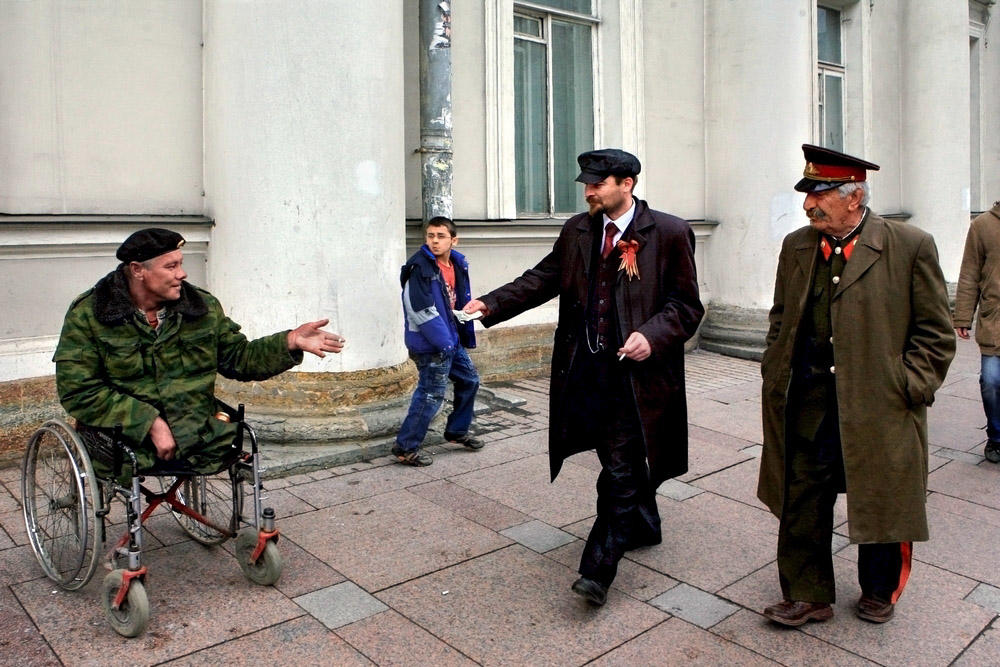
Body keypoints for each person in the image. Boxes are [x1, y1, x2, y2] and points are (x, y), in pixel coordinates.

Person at [463, 149, 704, 606]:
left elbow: (686, 306)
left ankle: (598, 570)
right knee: (617, 457)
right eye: (587, 184)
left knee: (619, 468)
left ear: (627, 183)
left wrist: (651, 335)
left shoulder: (669, 232)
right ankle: (644, 523)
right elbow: (544, 277)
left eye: (598, 183)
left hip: (637, 376)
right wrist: (490, 304)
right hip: (584, 368)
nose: (589, 191)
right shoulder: (578, 229)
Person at [758, 145, 955, 626]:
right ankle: (808, 593)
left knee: (882, 493)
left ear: (855, 196)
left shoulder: (909, 245)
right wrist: (774, 365)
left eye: (820, 194)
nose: (808, 205)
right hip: (807, 401)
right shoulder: (798, 246)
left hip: (879, 403)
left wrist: (909, 384)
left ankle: (880, 588)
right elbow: (781, 316)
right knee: (801, 495)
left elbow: (935, 332)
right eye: (808, 194)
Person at [54, 227, 346, 475]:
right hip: (126, 442)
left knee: (239, 441)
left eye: (181, 264)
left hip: (199, 435)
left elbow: (239, 359)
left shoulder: (200, 308)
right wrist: (149, 423)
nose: (182, 274)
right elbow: (78, 391)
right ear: (137, 270)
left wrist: (290, 341)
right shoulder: (91, 315)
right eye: (171, 266)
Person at [394, 216, 482, 467]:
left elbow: (453, 301)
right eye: (430, 236)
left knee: (469, 380)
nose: (434, 241)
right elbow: (420, 311)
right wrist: (444, 342)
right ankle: (405, 447)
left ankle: (456, 431)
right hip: (432, 343)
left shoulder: (457, 262)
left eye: (440, 236)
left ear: (453, 240)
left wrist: (464, 319)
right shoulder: (419, 267)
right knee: (431, 394)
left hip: (450, 338)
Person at [953, 200, 1000, 462]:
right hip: (996, 321)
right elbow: (970, 273)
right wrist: (963, 315)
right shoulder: (983, 226)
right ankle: (996, 437)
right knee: (991, 383)